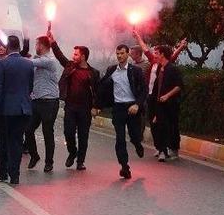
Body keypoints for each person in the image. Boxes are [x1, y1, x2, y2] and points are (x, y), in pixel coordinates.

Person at [48, 32, 101, 170]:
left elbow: (98, 92)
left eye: (76, 54)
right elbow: (60, 56)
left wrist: (96, 107)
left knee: (83, 136)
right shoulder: (70, 66)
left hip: (85, 109)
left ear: (83, 57)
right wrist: (52, 42)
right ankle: (72, 152)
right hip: (70, 107)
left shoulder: (93, 73)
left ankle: (80, 161)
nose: (73, 56)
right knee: (68, 132)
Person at [97, 44, 147, 180]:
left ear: (127, 54)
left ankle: (138, 144)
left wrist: (137, 104)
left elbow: (144, 90)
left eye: (122, 53)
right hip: (118, 108)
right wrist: (97, 106)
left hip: (132, 108)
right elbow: (102, 88)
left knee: (134, 135)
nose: (119, 56)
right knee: (120, 138)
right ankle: (124, 167)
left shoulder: (135, 71)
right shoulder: (112, 70)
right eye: (117, 53)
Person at [0, 36, 35, 185]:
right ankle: (15, 175)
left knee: (3, 140)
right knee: (17, 141)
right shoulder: (28, 64)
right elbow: (30, 86)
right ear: (19, 46)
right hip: (23, 108)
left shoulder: (2, 64)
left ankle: (3, 172)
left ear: (8, 47)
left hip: (5, 109)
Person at [24, 35, 61, 172]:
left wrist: (16, 58)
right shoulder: (38, 60)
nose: (35, 47)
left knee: (47, 132)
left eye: (37, 44)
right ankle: (34, 156)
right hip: (36, 100)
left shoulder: (49, 60)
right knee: (28, 129)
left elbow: (29, 63)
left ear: (42, 45)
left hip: (49, 101)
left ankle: (49, 162)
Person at [150, 45, 184, 162]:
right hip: (159, 103)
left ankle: (173, 148)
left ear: (162, 54)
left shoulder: (173, 69)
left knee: (172, 126)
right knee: (160, 126)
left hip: (171, 104)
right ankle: (162, 150)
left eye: (157, 53)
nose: (155, 55)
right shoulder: (160, 68)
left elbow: (179, 86)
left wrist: (167, 95)